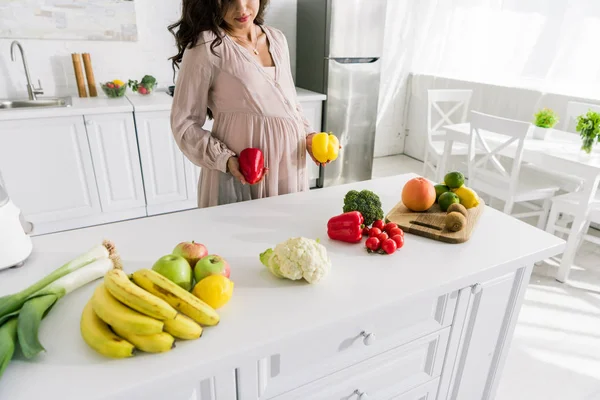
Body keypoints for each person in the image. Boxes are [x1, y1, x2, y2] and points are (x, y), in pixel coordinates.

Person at [169, 0, 338, 208]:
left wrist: (308, 136)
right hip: (241, 171)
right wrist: (225, 159)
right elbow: (183, 123)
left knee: (284, 233)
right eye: (229, 1)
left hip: (289, 166)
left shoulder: (277, 38)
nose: (242, 8)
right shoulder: (206, 45)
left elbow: (290, 104)